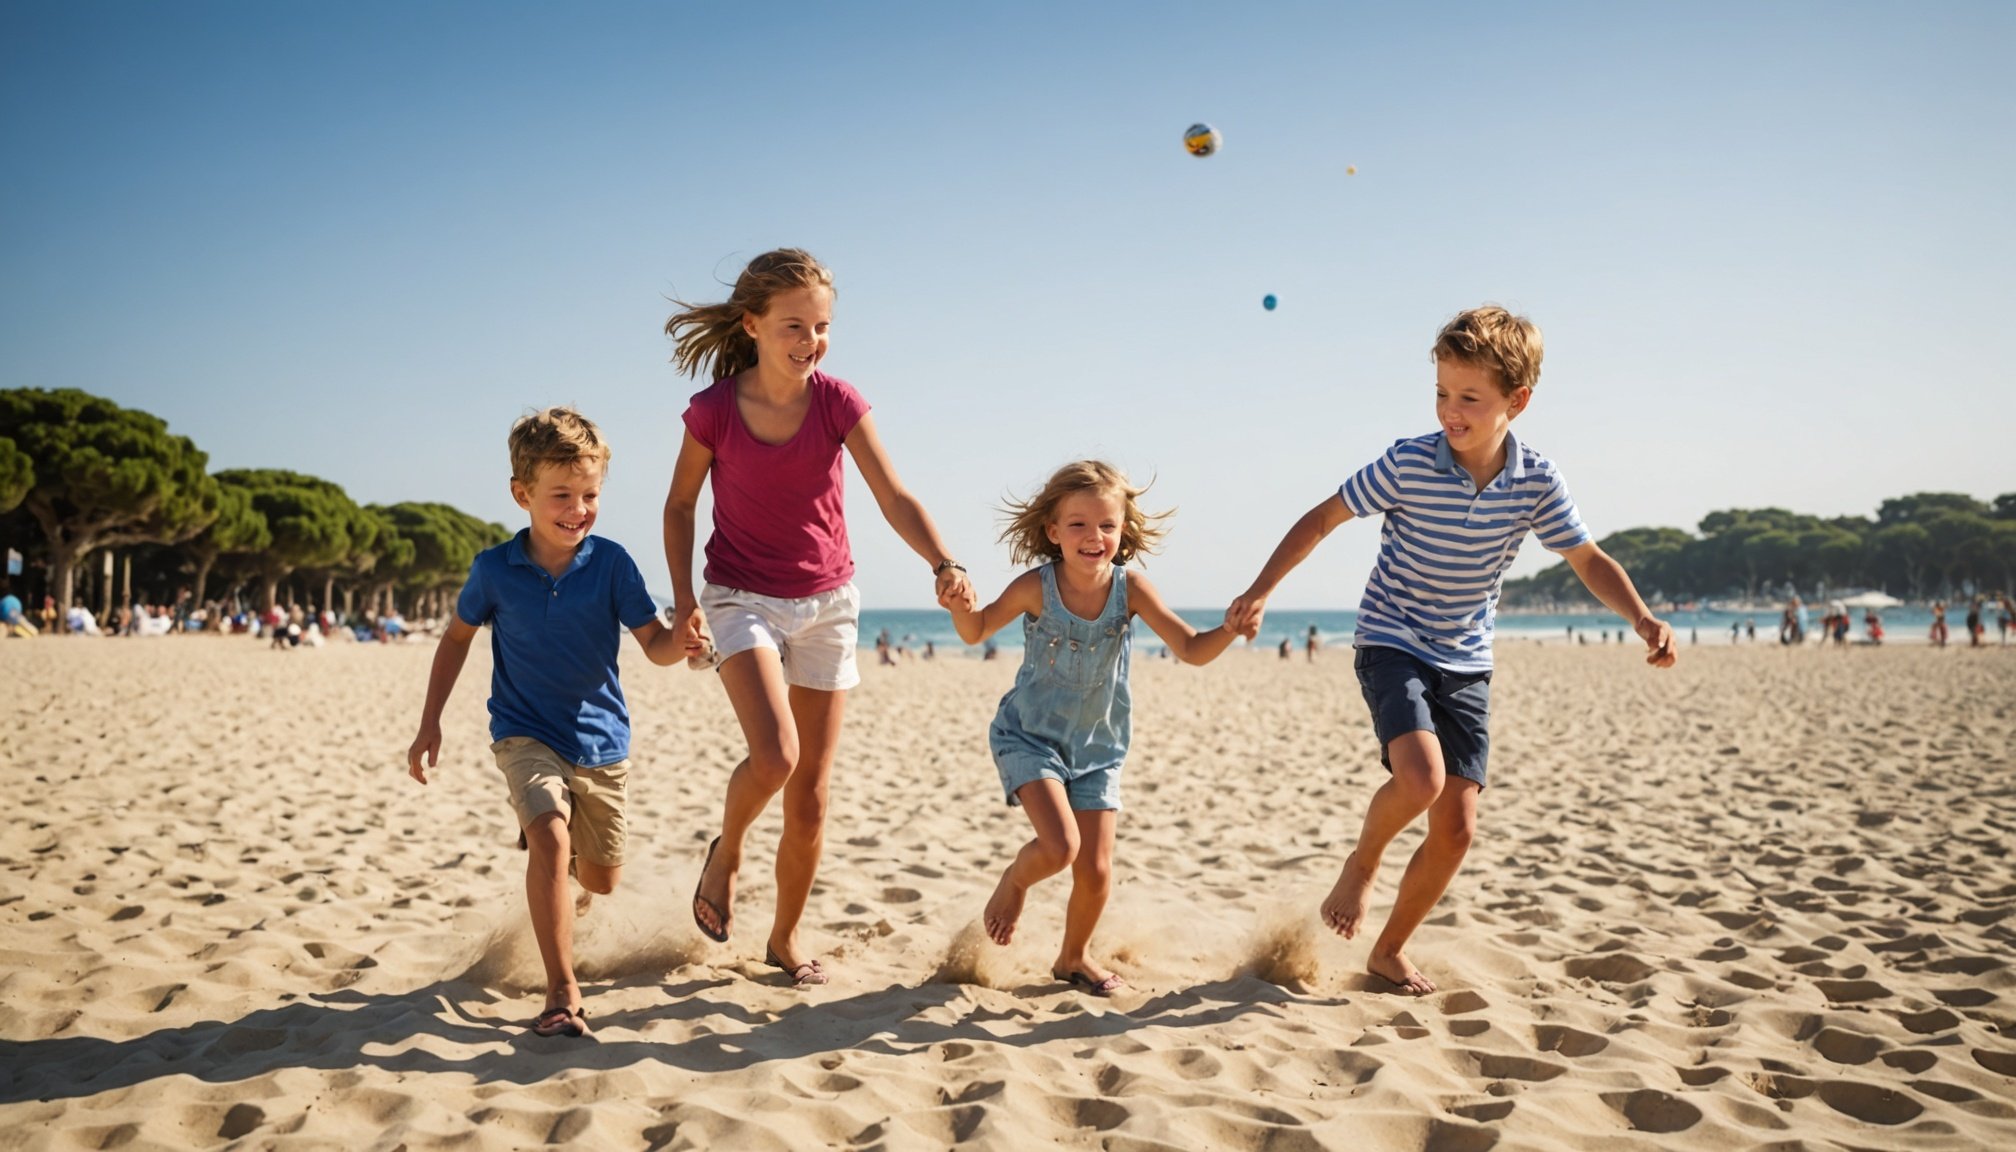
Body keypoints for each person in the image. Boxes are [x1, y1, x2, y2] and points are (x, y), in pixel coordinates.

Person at [1227, 305, 1675, 996]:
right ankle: (1364, 862)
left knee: (1458, 827)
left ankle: (1389, 949)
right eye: (1441, 393)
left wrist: (1642, 617)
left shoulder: (1535, 481)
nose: (1450, 411)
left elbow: (1586, 558)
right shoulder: (1408, 462)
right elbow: (1322, 518)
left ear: (1516, 402)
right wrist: (1260, 590)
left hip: (1466, 657)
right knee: (1421, 778)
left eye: (1469, 397)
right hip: (1392, 636)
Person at [662, 248, 975, 986]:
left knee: (810, 796)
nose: (811, 340)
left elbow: (894, 495)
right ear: (752, 325)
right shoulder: (713, 412)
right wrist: (682, 603)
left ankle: (785, 938)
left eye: (823, 326)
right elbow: (679, 506)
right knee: (775, 755)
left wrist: (944, 562)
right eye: (794, 325)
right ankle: (728, 850)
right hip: (740, 596)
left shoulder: (837, 402)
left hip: (828, 604)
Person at [406, 406, 689, 1039]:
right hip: (523, 733)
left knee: (601, 879)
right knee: (553, 839)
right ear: (522, 494)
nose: (577, 508)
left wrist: (683, 641)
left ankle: (551, 848)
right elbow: (455, 640)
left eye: (589, 495)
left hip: (602, 742)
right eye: (561, 494)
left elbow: (655, 644)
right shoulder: (494, 569)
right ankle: (562, 991)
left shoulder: (613, 564)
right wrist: (431, 722)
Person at [947, 461, 1246, 996]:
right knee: (1059, 847)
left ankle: (1073, 957)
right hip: (1030, 736)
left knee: (1097, 870)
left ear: (1123, 532)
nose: (1094, 537)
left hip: (1099, 748)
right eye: (1079, 524)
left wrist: (1228, 628)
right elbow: (975, 632)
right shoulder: (1034, 588)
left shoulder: (1131, 592)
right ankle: (1015, 881)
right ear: (1053, 532)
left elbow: (1191, 650)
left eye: (1107, 525)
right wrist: (960, 607)